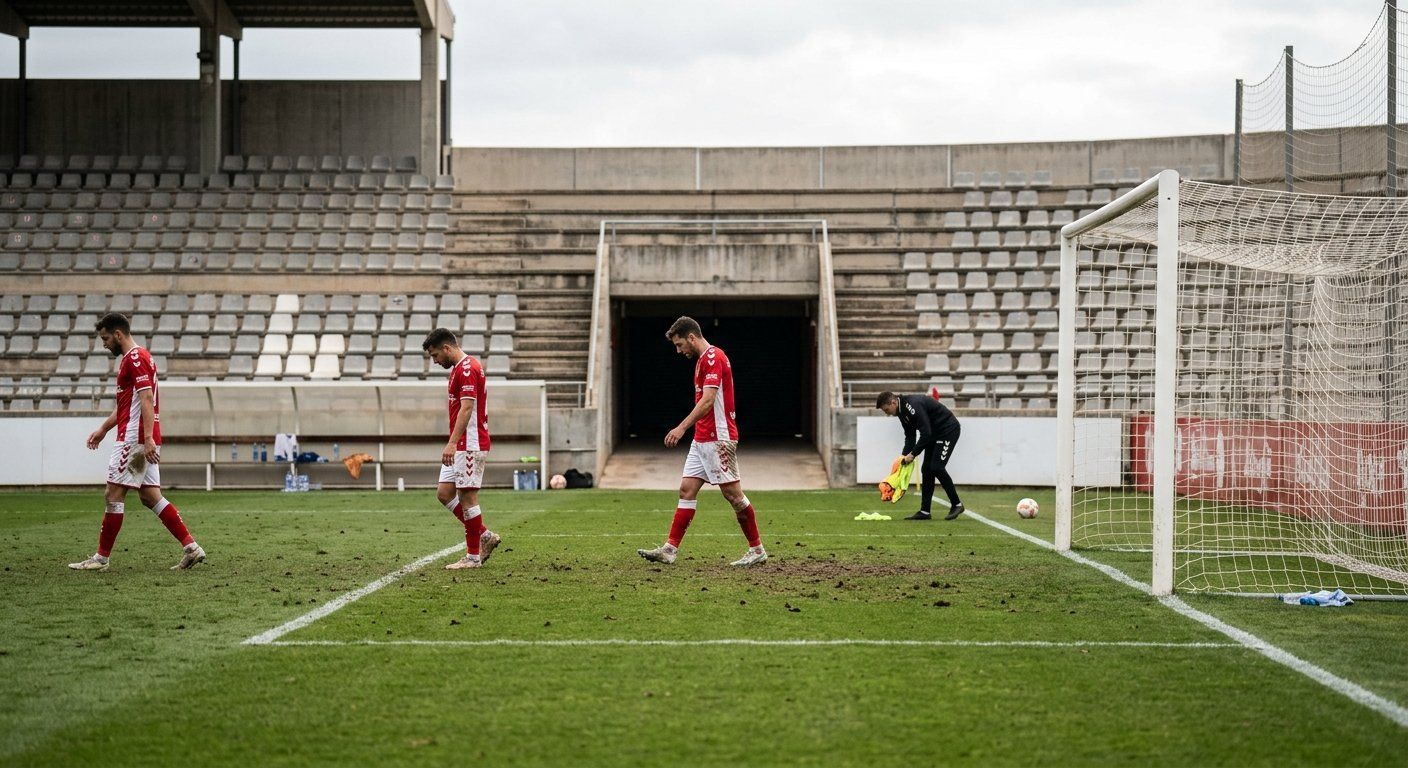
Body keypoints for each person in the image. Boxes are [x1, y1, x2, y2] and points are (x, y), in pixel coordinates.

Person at [69, 313, 205, 571]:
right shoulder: (139, 357)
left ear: (118, 334)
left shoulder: (134, 359)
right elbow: (125, 406)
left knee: (113, 494)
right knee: (150, 496)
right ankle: (191, 547)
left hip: (135, 438)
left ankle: (101, 558)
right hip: (141, 436)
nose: (104, 344)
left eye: (106, 338)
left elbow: (146, 400)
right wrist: (103, 429)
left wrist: (146, 439)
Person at [638, 316, 767, 567]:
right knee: (686, 489)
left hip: (718, 437)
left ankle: (757, 549)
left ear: (692, 337)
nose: (678, 351)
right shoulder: (701, 362)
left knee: (733, 495)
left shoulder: (713, 358)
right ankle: (670, 549)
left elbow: (708, 401)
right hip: (702, 438)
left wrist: (681, 427)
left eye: (679, 344)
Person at [423, 328, 501, 569]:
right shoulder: (459, 369)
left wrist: (452, 442)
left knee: (467, 496)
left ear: (447, 348)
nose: (434, 361)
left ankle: (472, 557)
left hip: (470, 443)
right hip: (462, 444)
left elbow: (467, 408)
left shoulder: (467, 368)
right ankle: (485, 536)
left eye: (435, 355)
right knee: (445, 493)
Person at [875, 391, 964, 521]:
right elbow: (910, 437)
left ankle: (957, 504)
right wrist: (903, 457)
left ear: (893, 402)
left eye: (887, 409)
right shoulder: (900, 411)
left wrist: (913, 454)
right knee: (926, 470)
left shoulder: (912, 406)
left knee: (937, 467)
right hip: (933, 434)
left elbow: (926, 433)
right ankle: (925, 511)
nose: (887, 413)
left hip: (947, 430)